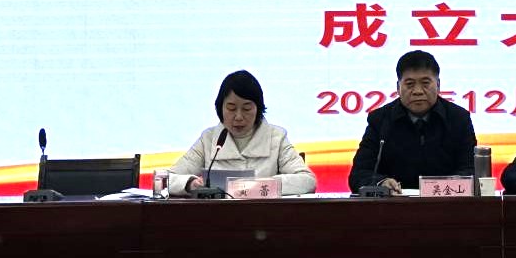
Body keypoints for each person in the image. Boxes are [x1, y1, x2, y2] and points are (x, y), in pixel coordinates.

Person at [168, 69, 316, 196]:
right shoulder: (209, 139)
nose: (238, 117)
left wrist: (261, 185)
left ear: (258, 109)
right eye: (231, 108)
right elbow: (164, 180)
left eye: (246, 108)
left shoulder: (276, 137)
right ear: (220, 108)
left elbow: (307, 180)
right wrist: (189, 184)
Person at [347, 50, 477, 193]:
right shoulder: (380, 120)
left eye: (425, 83)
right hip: (394, 204)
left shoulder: (459, 119)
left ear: (438, 85)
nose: (417, 91)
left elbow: (472, 171)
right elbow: (359, 175)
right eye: (409, 84)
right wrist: (381, 183)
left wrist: (447, 185)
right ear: (398, 87)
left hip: (445, 202)